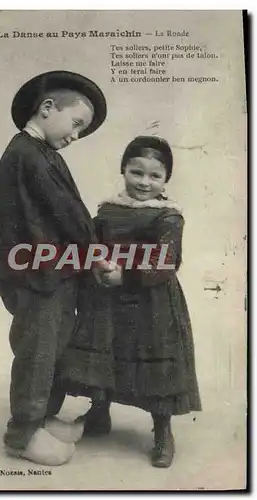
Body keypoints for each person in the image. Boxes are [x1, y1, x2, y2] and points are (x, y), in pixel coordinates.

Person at [0, 70, 108, 465]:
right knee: (38, 349)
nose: (76, 136)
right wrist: (96, 253)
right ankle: (22, 434)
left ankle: (44, 417)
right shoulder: (26, 154)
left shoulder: (41, 153)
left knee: (52, 345)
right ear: (48, 108)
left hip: (50, 269)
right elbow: (67, 212)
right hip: (35, 274)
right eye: (77, 124)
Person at [62, 135, 202, 468]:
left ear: (166, 178)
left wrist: (127, 275)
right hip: (108, 298)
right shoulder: (108, 210)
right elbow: (93, 244)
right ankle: (99, 413)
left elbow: (166, 260)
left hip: (151, 300)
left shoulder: (168, 217)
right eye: (136, 172)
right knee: (107, 348)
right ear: (123, 169)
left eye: (155, 176)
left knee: (154, 358)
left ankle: (162, 431)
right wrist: (97, 265)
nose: (144, 182)